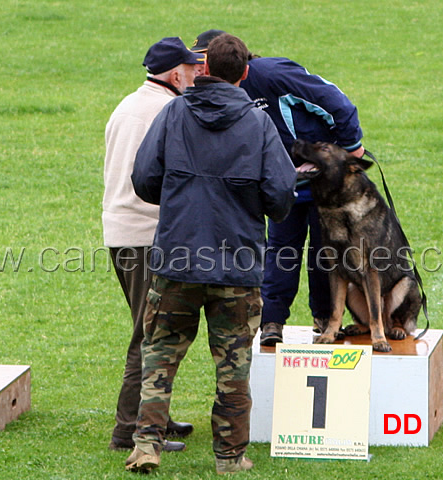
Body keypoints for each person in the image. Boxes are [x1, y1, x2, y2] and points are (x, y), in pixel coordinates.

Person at [126, 34, 297, 474]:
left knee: (159, 355)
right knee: (233, 367)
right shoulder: (258, 126)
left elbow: (144, 178)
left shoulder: (174, 113)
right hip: (236, 267)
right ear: (244, 74)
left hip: (177, 260)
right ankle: (230, 457)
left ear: (203, 69)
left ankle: (146, 445)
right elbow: (281, 196)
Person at [191, 30, 365, 346]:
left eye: (201, 61)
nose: (197, 69)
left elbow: (335, 101)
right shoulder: (216, 93)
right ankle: (272, 322)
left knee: (324, 251)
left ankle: (326, 318)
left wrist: (350, 147)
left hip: (324, 177)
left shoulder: (273, 74)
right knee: (281, 249)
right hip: (283, 182)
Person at [102, 37, 201, 453]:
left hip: (121, 233)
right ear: (176, 74)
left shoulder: (128, 104)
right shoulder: (167, 110)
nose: (198, 76)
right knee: (151, 335)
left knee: (154, 330)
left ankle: (154, 416)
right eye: (193, 70)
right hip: (147, 236)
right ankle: (130, 430)